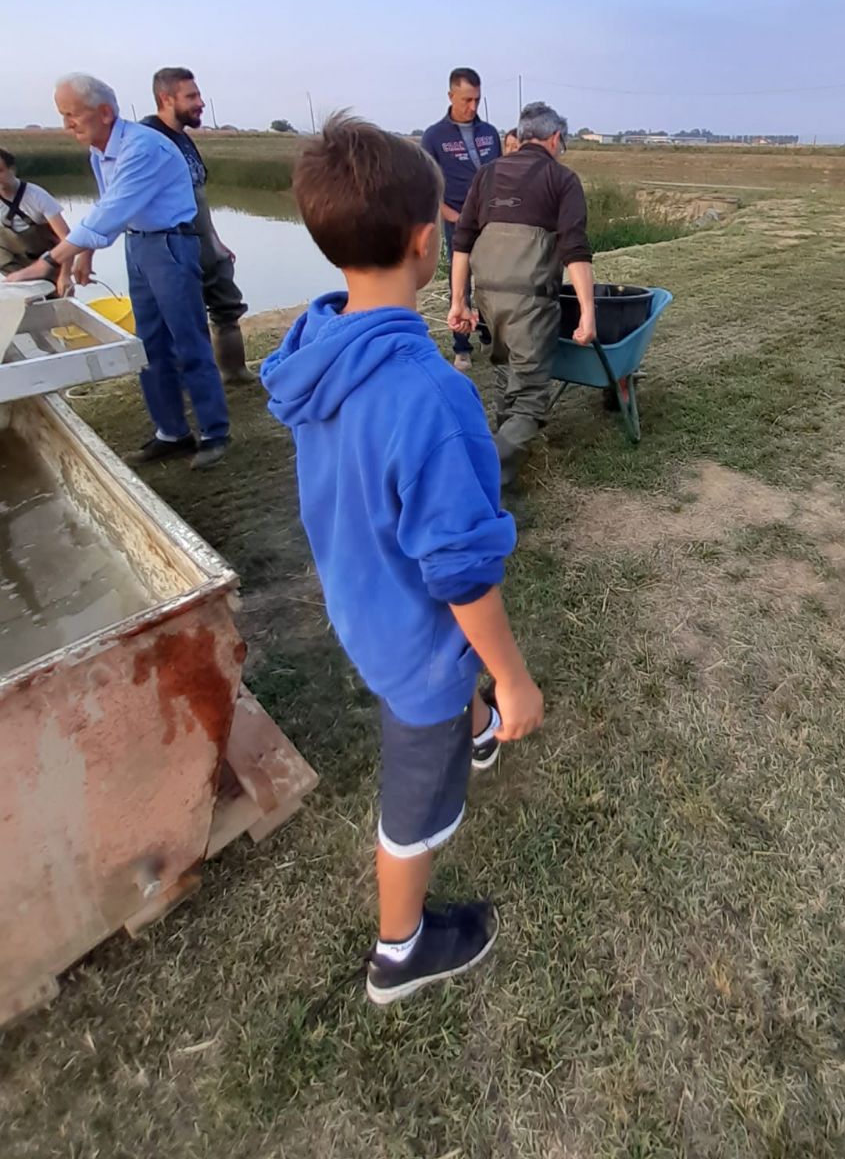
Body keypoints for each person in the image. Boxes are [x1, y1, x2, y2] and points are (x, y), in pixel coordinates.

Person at [261, 115, 543, 1005]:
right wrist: (512, 679)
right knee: (413, 809)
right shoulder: (431, 393)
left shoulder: (318, 349)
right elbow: (460, 570)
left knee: (445, 694)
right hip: (414, 648)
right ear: (428, 243)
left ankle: (474, 726)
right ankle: (400, 950)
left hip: (361, 599)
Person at [4, 75, 230, 470]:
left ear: (105, 112)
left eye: (72, 115)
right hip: (139, 244)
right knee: (150, 343)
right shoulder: (102, 151)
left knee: (188, 340)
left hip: (170, 245)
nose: (67, 125)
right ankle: (172, 433)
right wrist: (85, 255)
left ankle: (215, 433)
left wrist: (49, 261)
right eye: (63, 115)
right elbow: (109, 206)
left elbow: (111, 211)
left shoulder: (143, 148)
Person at [450, 101, 596, 489]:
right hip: (530, 298)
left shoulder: (487, 174)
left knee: (504, 370)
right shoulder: (562, 179)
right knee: (531, 396)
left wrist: (459, 301)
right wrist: (587, 312)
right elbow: (574, 249)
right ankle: (482, 479)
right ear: (556, 138)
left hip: (487, 295)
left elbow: (462, 242)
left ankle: (503, 463)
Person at [143, 68, 252, 383]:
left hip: (204, 244)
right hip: (174, 249)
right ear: (166, 99)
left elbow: (198, 198)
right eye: (191, 96)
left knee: (227, 308)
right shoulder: (148, 140)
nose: (201, 103)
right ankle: (189, 384)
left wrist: (215, 241)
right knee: (182, 323)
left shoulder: (183, 138)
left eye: (198, 95)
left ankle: (234, 372)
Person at [421, 69, 501, 372]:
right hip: (457, 221)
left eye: (477, 99)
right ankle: (462, 347)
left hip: (490, 221)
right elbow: (427, 186)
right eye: (466, 100)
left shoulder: (489, 133)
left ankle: (489, 335)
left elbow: (500, 175)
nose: (472, 106)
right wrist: (451, 215)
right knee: (460, 286)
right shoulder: (434, 137)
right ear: (451, 96)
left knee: (491, 282)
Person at [0, 149, 70, 278]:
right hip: (15, 262)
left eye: (0, 171)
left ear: (12, 170)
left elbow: (67, 238)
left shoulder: (37, 195)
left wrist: (65, 276)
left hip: (48, 262)